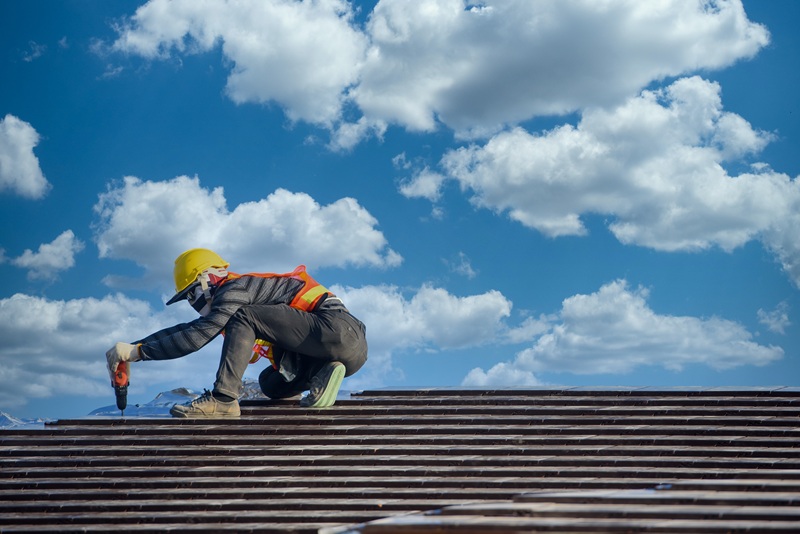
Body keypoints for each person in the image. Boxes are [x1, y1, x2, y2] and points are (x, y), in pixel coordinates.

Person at [105, 248, 368, 418]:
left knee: (245, 316)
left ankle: (223, 399)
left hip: (338, 329)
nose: (193, 303)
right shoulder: (237, 294)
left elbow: (199, 334)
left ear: (207, 280)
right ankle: (321, 374)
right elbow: (188, 330)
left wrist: (139, 353)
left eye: (191, 294)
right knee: (271, 383)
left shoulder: (235, 289)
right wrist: (134, 348)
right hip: (344, 350)